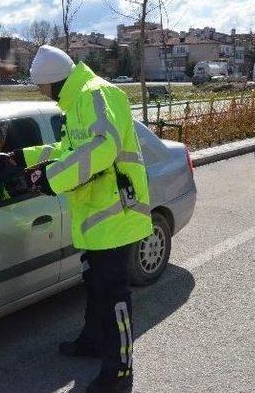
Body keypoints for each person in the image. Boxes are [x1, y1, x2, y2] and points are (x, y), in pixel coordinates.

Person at [10, 45, 153, 393]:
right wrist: (22, 158)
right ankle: (92, 341)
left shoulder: (97, 94)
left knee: (114, 294)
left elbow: (103, 147)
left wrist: (52, 178)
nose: (42, 93)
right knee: (95, 288)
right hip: (95, 217)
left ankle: (120, 370)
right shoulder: (77, 102)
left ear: (55, 81)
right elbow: (69, 151)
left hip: (116, 216)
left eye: (42, 87)